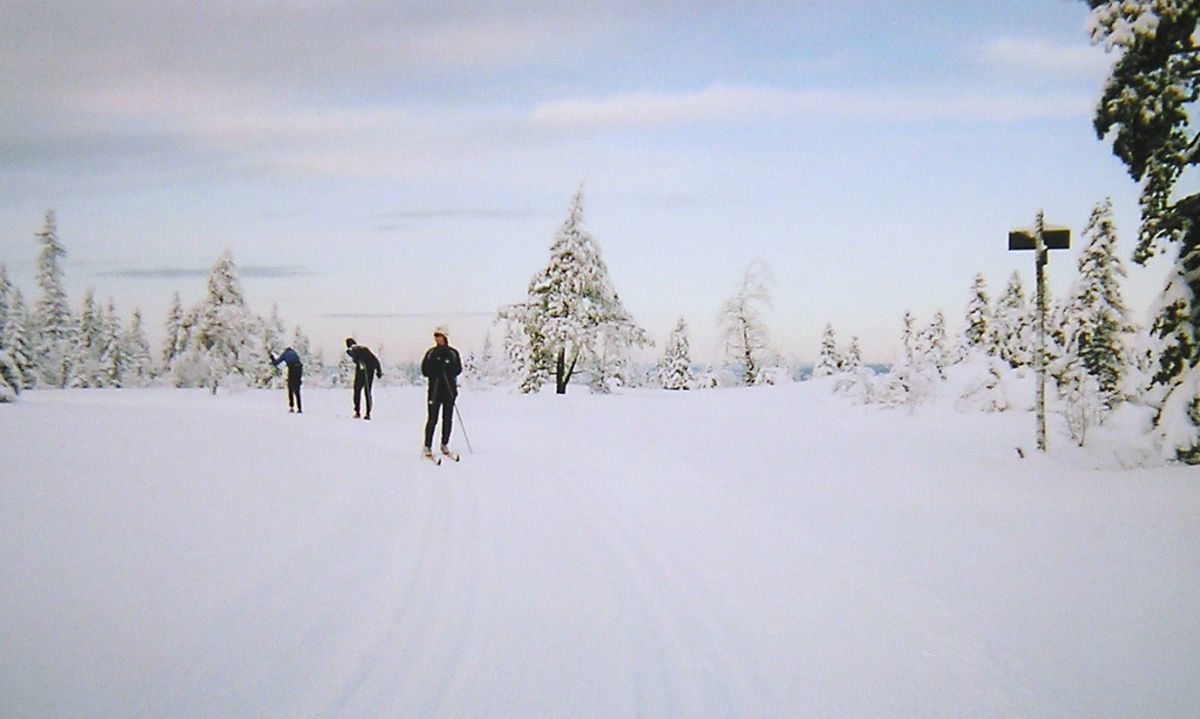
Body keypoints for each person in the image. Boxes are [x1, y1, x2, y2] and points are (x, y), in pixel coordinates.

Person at [421, 327, 462, 458]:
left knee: (448, 419)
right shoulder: (431, 353)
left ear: (445, 337)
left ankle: (444, 443)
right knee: (432, 418)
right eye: (436, 336)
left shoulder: (453, 353)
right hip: (435, 391)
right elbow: (425, 371)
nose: (437, 338)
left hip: (449, 390)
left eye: (439, 336)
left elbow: (458, 369)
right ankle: (427, 445)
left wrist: (447, 367)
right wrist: (435, 368)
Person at [345, 337, 382, 420]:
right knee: (358, 390)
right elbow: (375, 360)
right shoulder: (353, 351)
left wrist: (378, 371)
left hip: (368, 371)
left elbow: (375, 360)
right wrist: (378, 371)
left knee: (366, 391)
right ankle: (358, 412)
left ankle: (367, 413)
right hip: (361, 372)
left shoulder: (363, 350)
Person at [268, 346, 303, 413]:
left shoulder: (285, 354)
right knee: (297, 390)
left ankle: (291, 407)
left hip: (292, 368)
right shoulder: (295, 353)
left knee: (290, 387)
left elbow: (277, 363)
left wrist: (272, 358)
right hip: (299, 368)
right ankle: (299, 408)